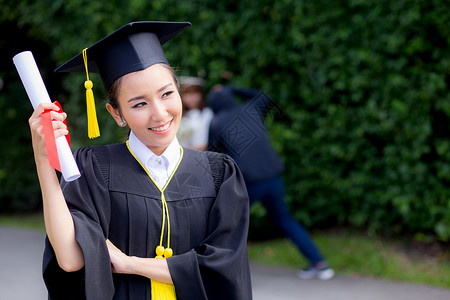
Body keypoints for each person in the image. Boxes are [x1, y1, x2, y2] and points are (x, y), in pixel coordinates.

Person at [28, 21, 252, 299]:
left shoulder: (219, 174)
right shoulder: (95, 169)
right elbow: (71, 259)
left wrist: (131, 264)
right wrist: (43, 160)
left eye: (167, 94)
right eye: (139, 103)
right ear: (116, 114)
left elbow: (224, 267)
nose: (159, 114)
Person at [207, 85, 335, 280]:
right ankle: (319, 263)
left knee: (229, 226)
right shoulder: (251, 110)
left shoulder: (217, 122)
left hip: (249, 184)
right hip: (273, 179)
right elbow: (262, 96)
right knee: (286, 220)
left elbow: (213, 155)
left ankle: (219, 274)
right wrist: (231, 88)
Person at [177, 76, 213, 150]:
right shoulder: (179, 114)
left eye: (195, 93)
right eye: (187, 94)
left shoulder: (206, 114)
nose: (192, 98)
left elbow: (207, 141)